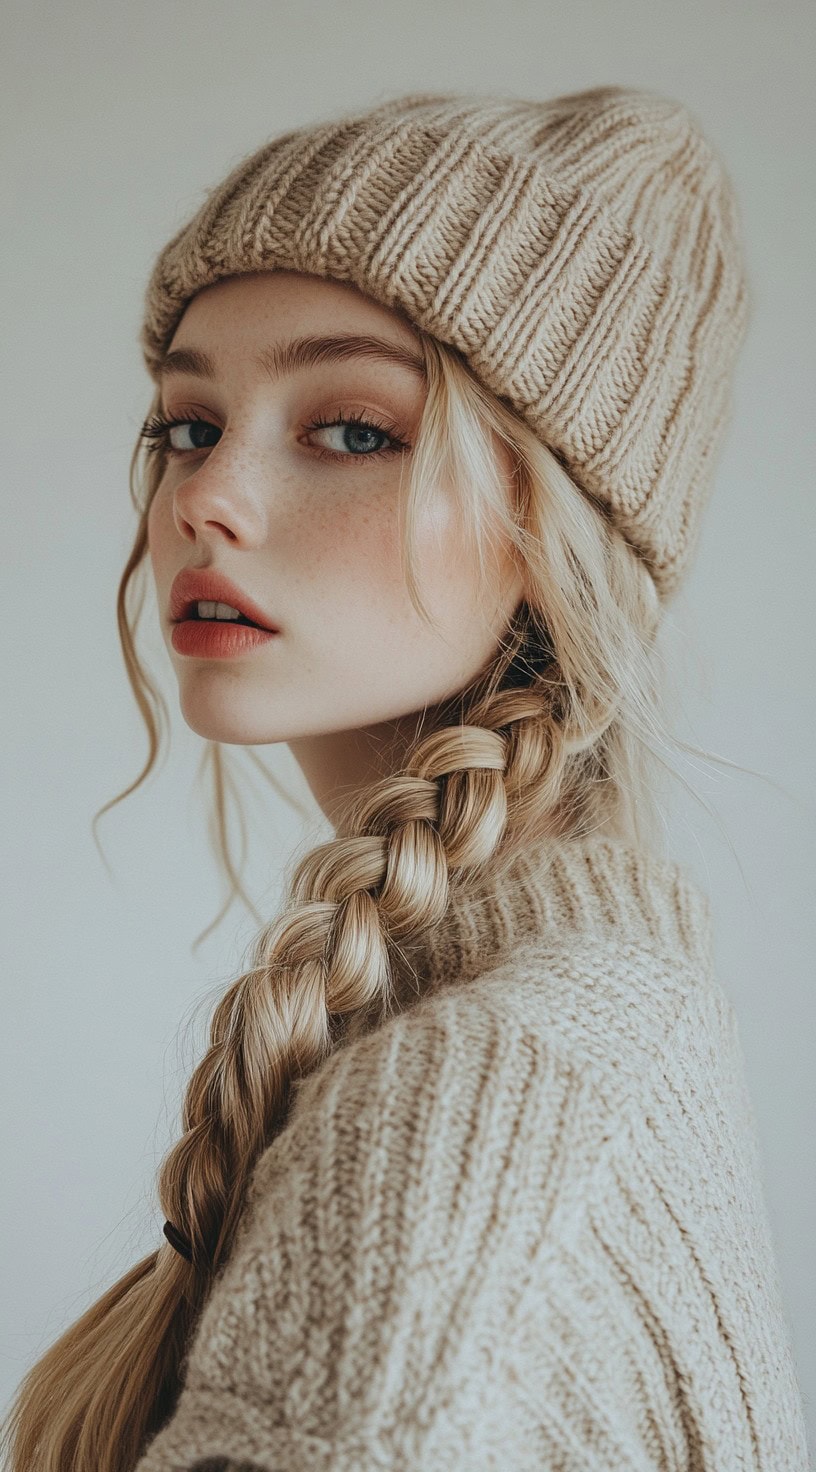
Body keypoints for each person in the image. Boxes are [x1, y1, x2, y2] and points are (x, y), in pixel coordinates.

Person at [2, 85, 809, 1472]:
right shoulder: (601, 1029)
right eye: (190, 425)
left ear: (556, 525)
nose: (206, 497)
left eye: (355, 429)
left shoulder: (479, 1100)